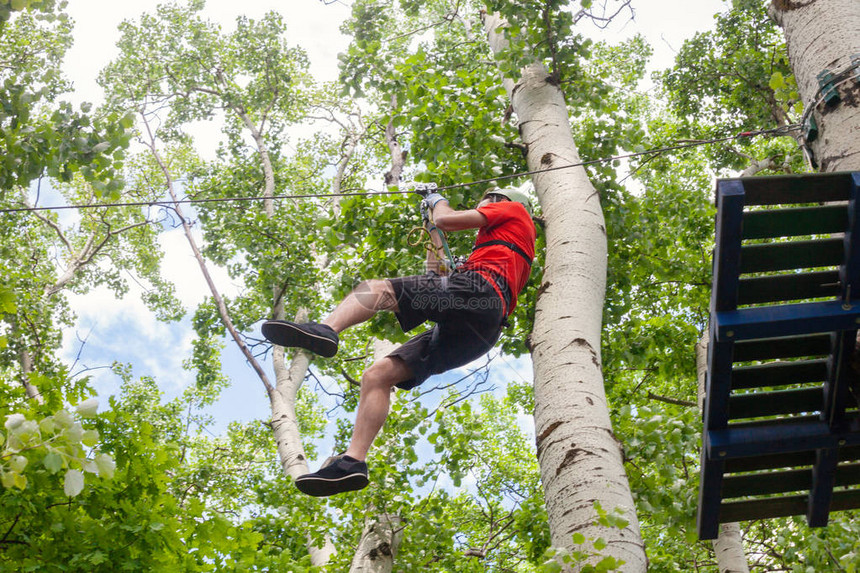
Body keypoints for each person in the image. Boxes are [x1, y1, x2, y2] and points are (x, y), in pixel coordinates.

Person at [261, 183, 537, 496]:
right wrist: (432, 228)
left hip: (478, 290)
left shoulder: (513, 210)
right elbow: (438, 274)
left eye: (486, 202)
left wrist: (437, 201)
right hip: (482, 327)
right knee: (378, 375)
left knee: (379, 289)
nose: (484, 208)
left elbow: (448, 219)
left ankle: (327, 329)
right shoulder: (503, 248)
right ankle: (354, 461)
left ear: (499, 201)